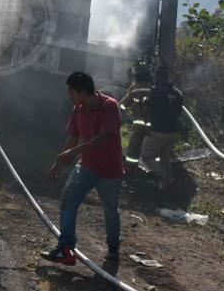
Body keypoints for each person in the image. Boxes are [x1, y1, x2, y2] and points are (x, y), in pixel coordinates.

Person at [40, 71, 124, 272]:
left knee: (110, 210)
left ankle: (113, 247)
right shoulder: (78, 109)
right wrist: (59, 161)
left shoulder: (109, 106)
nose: (69, 95)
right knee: (69, 199)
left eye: (71, 91)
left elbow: (104, 138)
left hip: (110, 170)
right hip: (86, 166)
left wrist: (73, 151)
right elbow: (73, 137)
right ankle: (66, 250)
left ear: (82, 91)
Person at [141, 65, 183, 190]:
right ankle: (169, 181)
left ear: (158, 76)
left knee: (147, 156)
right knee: (165, 157)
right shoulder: (178, 93)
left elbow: (146, 108)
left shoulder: (155, 90)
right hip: (173, 132)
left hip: (158, 131)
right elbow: (178, 113)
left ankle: (163, 176)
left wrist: (146, 124)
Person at [119, 60, 152, 173]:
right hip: (155, 125)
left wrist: (116, 110)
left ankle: (130, 168)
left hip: (142, 125)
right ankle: (157, 168)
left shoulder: (137, 87)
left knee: (134, 145)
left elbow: (125, 103)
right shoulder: (152, 85)